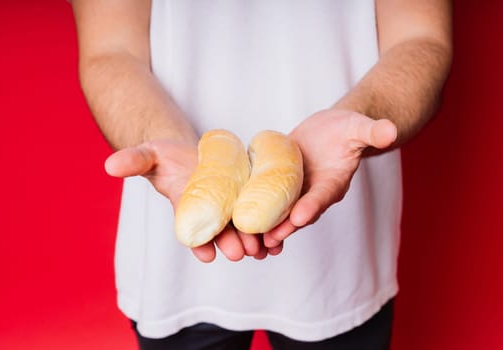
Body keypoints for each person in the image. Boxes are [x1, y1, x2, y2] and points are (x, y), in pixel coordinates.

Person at [71, 0, 452, 349]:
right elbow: (111, 49)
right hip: (173, 253)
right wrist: (158, 135)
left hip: (342, 253)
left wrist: (360, 117)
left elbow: (420, 37)